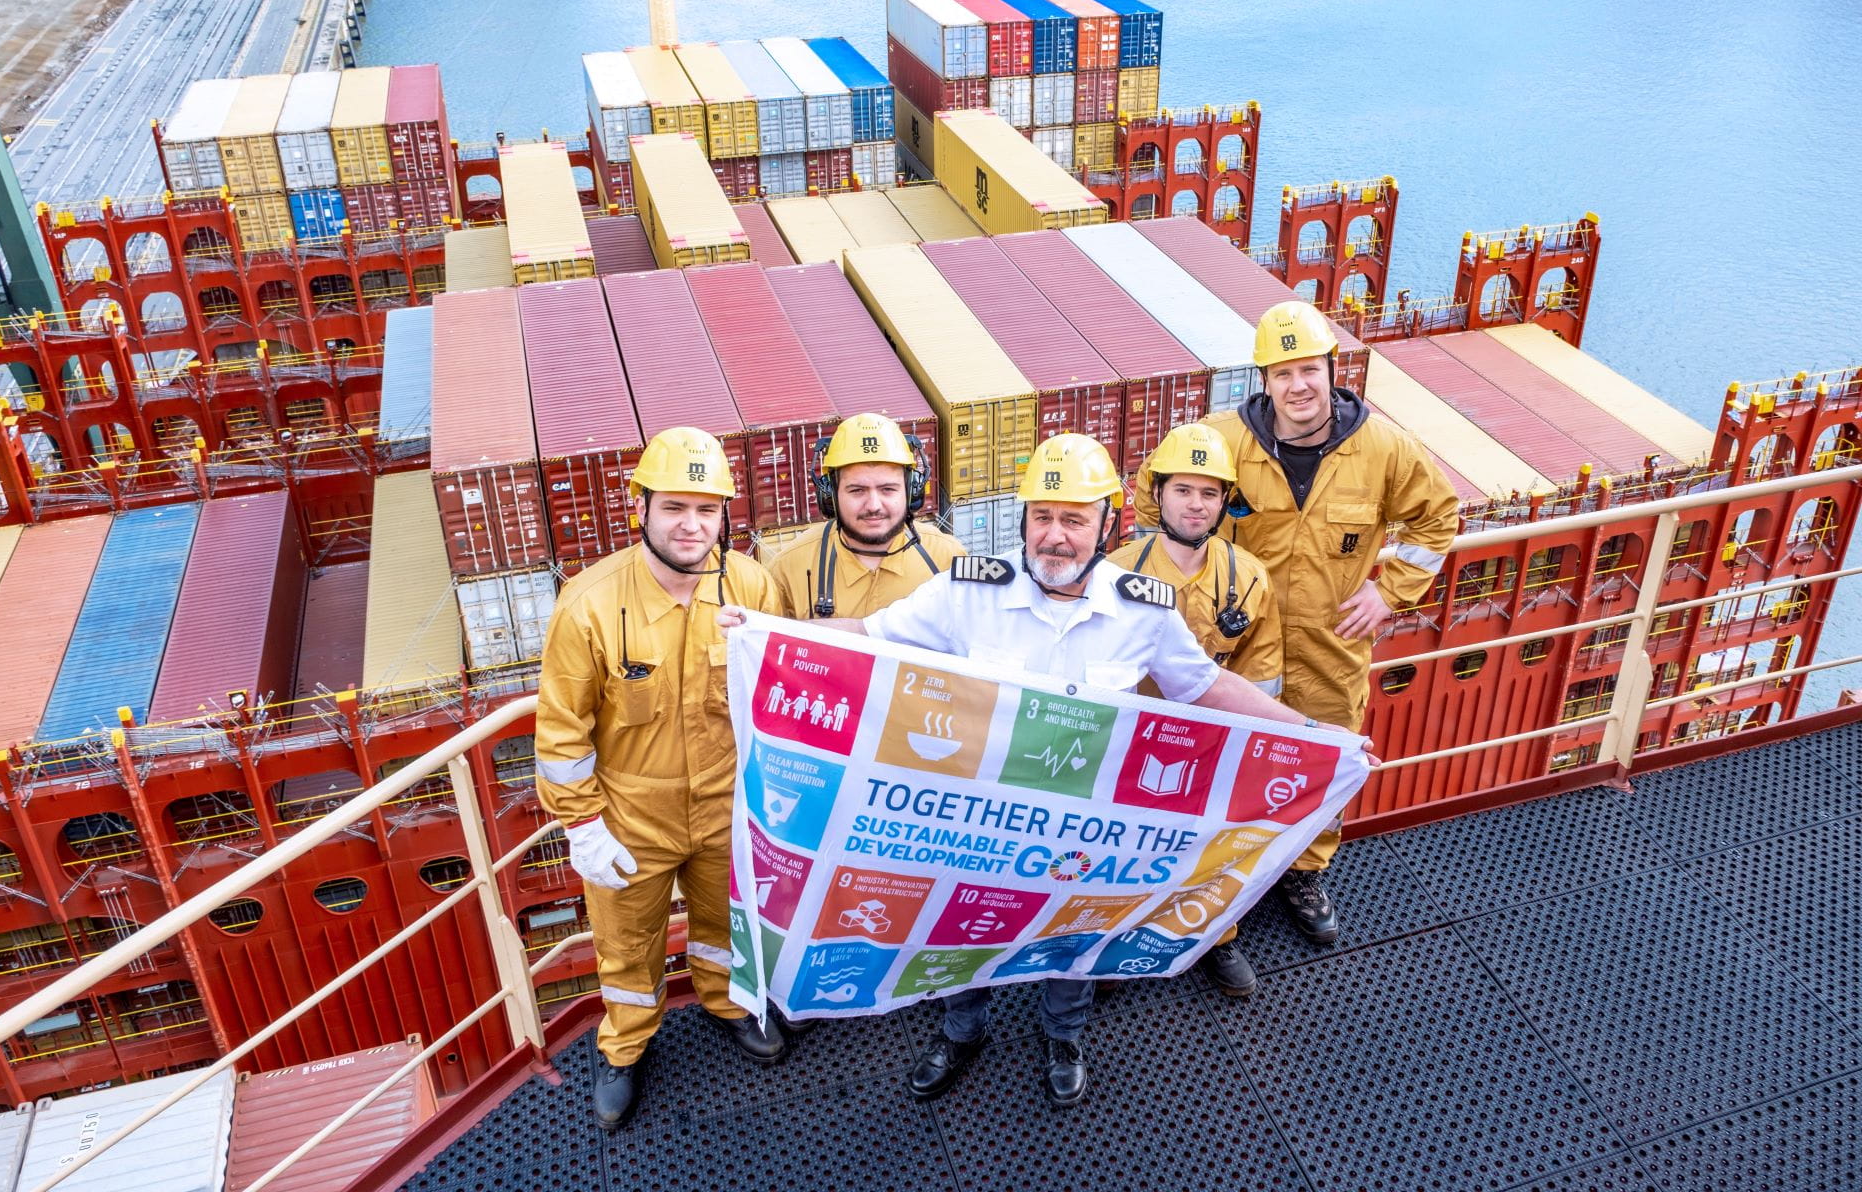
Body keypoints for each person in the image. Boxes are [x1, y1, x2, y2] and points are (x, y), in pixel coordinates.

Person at [728, 433, 1314, 1108]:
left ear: (1107, 525)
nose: (1055, 537)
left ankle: (1063, 1037)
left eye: (1073, 520)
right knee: (953, 931)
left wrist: (1311, 732)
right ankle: (961, 1031)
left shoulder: (1144, 610)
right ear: (1023, 520)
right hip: (977, 821)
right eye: (1042, 518)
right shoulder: (968, 593)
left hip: (1079, 825)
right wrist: (766, 631)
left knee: (1069, 942)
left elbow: (1204, 686)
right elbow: (872, 636)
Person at [1135, 299, 1458, 945]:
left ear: (1333, 371)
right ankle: (1213, 873)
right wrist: (1177, 585)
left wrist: (1391, 593)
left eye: (1308, 369)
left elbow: (1437, 518)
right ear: (1265, 380)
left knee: (1329, 749)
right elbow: (1153, 494)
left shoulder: (1385, 449)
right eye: (1282, 374)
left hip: (1329, 640)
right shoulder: (1223, 440)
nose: (1297, 386)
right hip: (1231, 640)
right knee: (1217, 754)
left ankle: (1304, 870)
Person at [534, 425, 791, 1132]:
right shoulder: (588, 605)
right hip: (628, 816)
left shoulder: (752, 584)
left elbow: (795, 686)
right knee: (626, 943)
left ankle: (727, 1001)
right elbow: (561, 737)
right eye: (675, 506)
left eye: (707, 510)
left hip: (724, 802)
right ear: (639, 508)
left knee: (724, 925)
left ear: (726, 518)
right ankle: (625, 1046)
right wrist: (583, 826)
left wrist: (767, 644)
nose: (692, 525)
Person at [1107, 421, 1282, 1000]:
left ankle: (1216, 934)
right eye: (1183, 490)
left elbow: (1262, 677)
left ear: (1225, 502)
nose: (1196, 504)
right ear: (1156, 494)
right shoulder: (1114, 575)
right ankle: (1112, 940)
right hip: (1130, 743)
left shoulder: (1249, 577)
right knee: (1121, 849)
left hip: (1214, 744)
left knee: (1212, 846)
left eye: (1210, 493)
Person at [767, 411, 967, 620]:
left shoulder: (947, 559)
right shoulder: (788, 570)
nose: (873, 506)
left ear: (911, 492)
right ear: (831, 496)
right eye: (857, 491)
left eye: (888, 489)